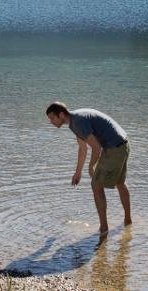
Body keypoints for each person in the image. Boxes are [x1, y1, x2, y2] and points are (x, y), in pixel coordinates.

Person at [45, 101, 131, 235]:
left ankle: (104, 228)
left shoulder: (77, 123)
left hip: (114, 148)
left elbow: (96, 147)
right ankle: (128, 220)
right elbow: (83, 148)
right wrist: (78, 172)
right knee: (120, 183)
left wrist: (91, 167)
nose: (51, 121)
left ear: (61, 114)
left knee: (96, 185)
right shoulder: (75, 120)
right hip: (123, 143)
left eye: (52, 118)